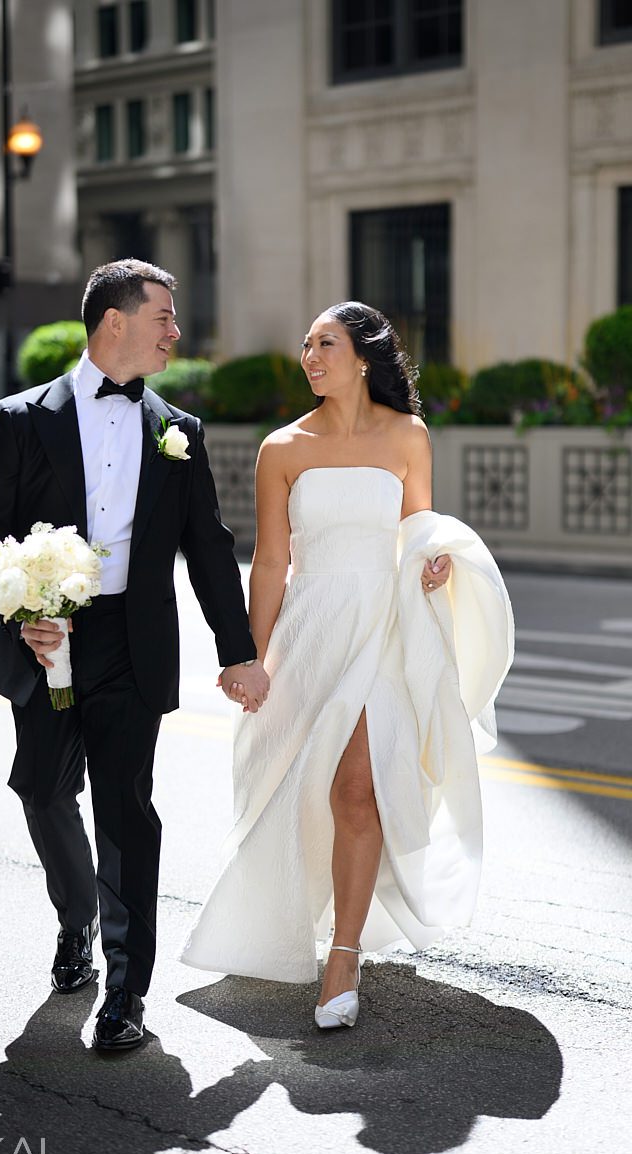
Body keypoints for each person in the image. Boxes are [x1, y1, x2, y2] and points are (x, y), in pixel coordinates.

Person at [179, 302, 514, 1029]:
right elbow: (270, 562)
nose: (309, 355)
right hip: (313, 633)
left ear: (364, 356)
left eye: (324, 342)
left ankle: (344, 953)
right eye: (305, 344)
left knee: (359, 788)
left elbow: (421, 536)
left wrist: (434, 573)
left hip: (387, 630)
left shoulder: (409, 436)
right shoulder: (283, 449)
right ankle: (302, 915)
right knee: (307, 788)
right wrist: (247, 655)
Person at [0, 259, 269, 1051]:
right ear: (116, 322)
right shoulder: (20, 418)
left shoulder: (178, 432)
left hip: (134, 645)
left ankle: (126, 994)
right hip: (46, 641)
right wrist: (23, 612)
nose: (175, 332)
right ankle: (76, 923)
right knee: (41, 790)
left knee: (127, 813)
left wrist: (238, 652)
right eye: (164, 316)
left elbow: (208, 549)